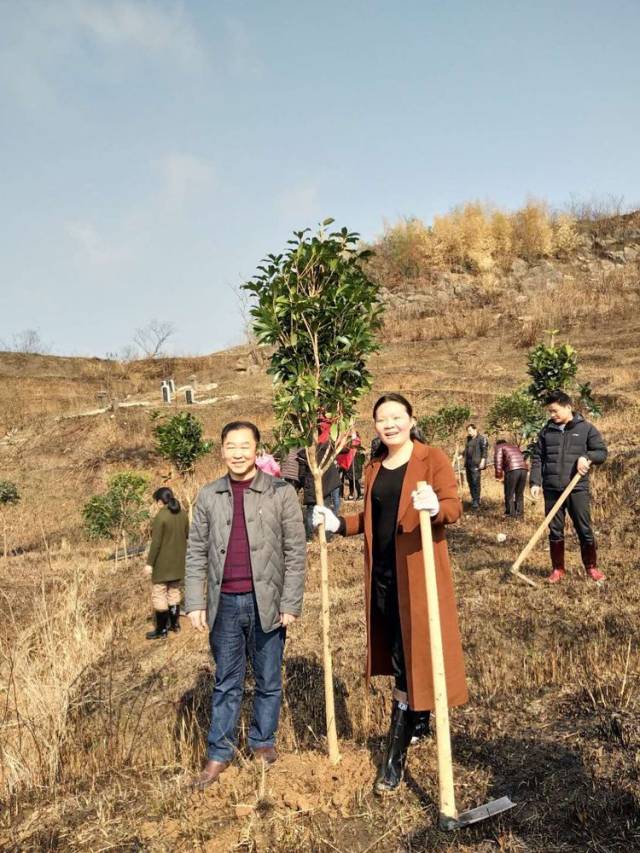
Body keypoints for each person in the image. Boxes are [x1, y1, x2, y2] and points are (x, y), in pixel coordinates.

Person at [313, 393, 467, 795]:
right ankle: (419, 718)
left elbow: (453, 506)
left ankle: (393, 758)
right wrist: (337, 524)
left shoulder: (431, 458)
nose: (390, 424)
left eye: (397, 417)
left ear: (411, 419)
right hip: (382, 574)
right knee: (402, 650)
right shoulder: (374, 465)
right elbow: (370, 517)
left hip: (418, 574)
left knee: (407, 659)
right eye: (382, 419)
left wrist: (435, 507)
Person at [184, 421, 306, 789]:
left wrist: (290, 602)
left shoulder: (279, 493)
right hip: (224, 604)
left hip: (266, 602)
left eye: (245, 446)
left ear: (257, 449)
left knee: (269, 677)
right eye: (230, 446)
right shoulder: (208, 495)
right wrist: (194, 601)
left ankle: (262, 742)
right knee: (226, 682)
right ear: (221, 450)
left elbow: (295, 552)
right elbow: (195, 552)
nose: (238, 453)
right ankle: (218, 754)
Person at [529, 390, 608, 584]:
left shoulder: (586, 429)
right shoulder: (546, 431)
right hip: (552, 489)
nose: (552, 415)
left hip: (577, 489)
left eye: (555, 411)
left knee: (584, 528)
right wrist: (535, 482)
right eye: (550, 412)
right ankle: (558, 569)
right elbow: (538, 457)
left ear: (568, 407)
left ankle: (591, 567)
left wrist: (587, 457)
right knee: (555, 530)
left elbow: (601, 452)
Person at [144, 487, 189, 640]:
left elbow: (156, 543)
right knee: (174, 592)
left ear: (159, 501)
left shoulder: (161, 517)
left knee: (159, 593)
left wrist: (149, 563)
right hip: (178, 561)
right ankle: (175, 625)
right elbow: (187, 534)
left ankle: (161, 629)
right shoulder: (183, 514)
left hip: (162, 563)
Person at [298, 439, 341, 542]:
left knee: (310, 514)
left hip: (310, 487)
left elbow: (301, 474)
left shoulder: (304, 454)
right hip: (323, 487)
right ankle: (327, 537)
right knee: (324, 512)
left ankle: (309, 538)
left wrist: (303, 484)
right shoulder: (324, 449)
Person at [493, 439, 528, 519]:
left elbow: (498, 462)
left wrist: (498, 476)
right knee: (519, 494)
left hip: (512, 470)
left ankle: (510, 514)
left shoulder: (499, 447)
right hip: (524, 469)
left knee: (509, 493)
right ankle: (519, 515)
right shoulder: (514, 447)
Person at [464, 424, 488, 510]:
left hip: (476, 464)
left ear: (475, 429)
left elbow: (485, 451)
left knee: (475, 482)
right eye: (468, 431)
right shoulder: (468, 439)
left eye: (470, 430)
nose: (469, 432)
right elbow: (467, 450)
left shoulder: (482, 439)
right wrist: (461, 455)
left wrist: (483, 461)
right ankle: (474, 499)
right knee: (470, 482)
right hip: (468, 464)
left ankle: (476, 502)